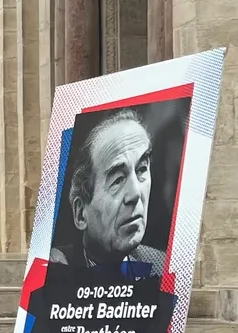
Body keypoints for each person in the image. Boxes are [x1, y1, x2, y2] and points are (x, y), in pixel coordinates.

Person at [51, 107, 165, 278]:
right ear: (81, 213)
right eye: (118, 180)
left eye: (141, 169)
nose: (135, 194)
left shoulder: (161, 266)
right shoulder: (56, 271)